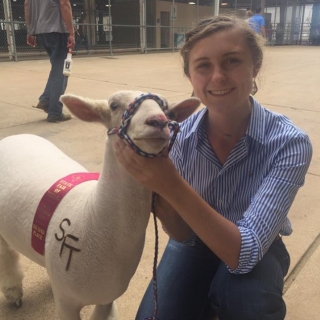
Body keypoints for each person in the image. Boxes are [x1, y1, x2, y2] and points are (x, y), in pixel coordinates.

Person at [114, 15, 313, 320]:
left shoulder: (289, 143)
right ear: (190, 76)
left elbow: (244, 255)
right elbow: (182, 233)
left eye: (232, 61)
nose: (218, 77)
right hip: (194, 241)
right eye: (203, 65)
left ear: (255, 65)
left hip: (257, 247)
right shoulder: (176, 138)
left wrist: (169, 184)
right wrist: (161, 202)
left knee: (247, 303)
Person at [24, 0, 75, 123]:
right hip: (57, 30)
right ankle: (55, 112)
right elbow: (64, 4)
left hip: (40, 31)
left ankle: (46, 100)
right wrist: (71, 32)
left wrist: (30, 31)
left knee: (57, 68)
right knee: (61, 72)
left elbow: (26, 5)